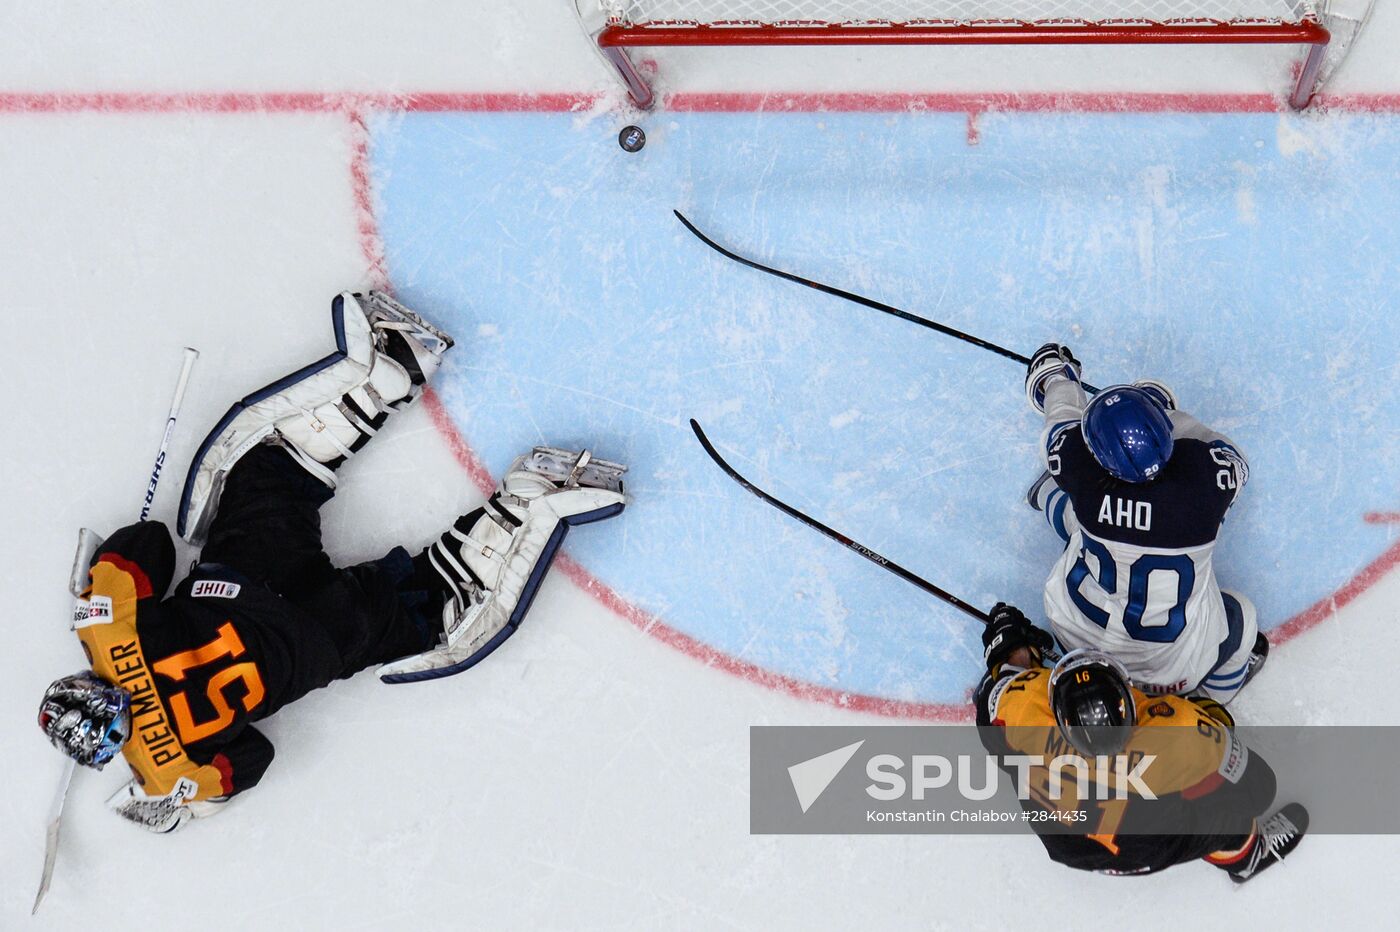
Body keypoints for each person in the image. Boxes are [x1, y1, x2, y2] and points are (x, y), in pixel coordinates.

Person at [38, 291, 627, 832]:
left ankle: (533, 498)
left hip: (313, 643)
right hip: (243, 581)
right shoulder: (107, 636)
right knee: (270, 474)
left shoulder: (166, 770)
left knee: (427, 603)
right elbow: (152, 545)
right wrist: (103, 580)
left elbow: (254, 758)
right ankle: (389, 365)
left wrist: (183, 794)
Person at [975, 604, 1307, 882]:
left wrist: (1008, 648)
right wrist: (1207, 713)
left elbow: (994, 693)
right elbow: (1258, 783)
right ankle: (1244, 857)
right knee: (1233, 813)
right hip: (1147, 844)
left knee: (1009, 750)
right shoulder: (1178, 735)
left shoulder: (1021, 711)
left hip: (1063, 843)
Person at [1023, 343, 1264, 702]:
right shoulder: (1204, 484)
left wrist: (1057, 376)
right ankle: (1212, 703)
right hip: (1171, 674)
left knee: (1085, 528)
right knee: (1241, 618)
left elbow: (1058, 425)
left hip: (1075, 638)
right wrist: (1165, 412)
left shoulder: (1080, 468)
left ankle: (1046, 497)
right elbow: (1233, 458)